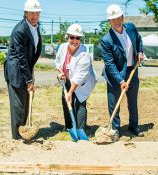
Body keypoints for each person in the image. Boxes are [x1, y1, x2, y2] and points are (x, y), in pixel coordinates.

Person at [100, 4, 144, 137]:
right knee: (114, 104)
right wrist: (120, 80)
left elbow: (139, 40)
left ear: (123, 17)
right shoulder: (106, 40)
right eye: (113, 19)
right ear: (109, 22)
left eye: (119, 18)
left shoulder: (131, 28)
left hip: (132, 70)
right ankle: (115, 129)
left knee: (132, 101)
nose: (117, 21)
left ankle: (133, 126)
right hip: (115, 75)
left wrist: (140, 52)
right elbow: (109, 63)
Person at [3, 0, 42, 140]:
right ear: (25, 13)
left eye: (37, 13)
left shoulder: (36, 26)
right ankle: (17, 138)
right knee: (18, 106)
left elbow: (34, 51)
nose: (35, 16)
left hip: (26, 68)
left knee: (25, 103)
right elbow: (21, 58)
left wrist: (30, 74)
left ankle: (24, 131)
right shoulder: (20, 30)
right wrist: (29, 80)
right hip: (16, 71)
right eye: (31, 12)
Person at [55, 23, 97, 131]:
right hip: (67, 79)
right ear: (67, 37)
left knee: (80, 103)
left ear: (80, 39)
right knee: (66, 101)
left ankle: (81, 129)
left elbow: (79, 77)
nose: (75, 40)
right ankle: (69, 126)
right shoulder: (63, 48)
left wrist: (70, 92)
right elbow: (58, 61)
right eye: (72, 37)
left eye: (77, 38)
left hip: (82, 82)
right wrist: (61, 72)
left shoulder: (84, 55)